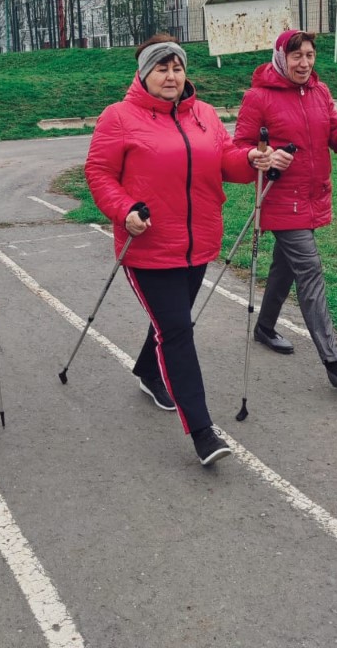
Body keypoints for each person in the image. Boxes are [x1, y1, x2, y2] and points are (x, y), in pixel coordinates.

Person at [84, 34, 272, 466]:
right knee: (177, 330)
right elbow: (99, 173)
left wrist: (250, 160)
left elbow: (225, 160)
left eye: (177, 68)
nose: (171, 76)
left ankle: (148, 371)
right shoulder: (118, 117)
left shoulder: (204, 114)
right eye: (161, 68)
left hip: (199, 242)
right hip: (148, 245)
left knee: (172, 322)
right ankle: (203, 431)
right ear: (143, 73)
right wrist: (124, 210)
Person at [234, 29, 337, 389]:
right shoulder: (258, 97)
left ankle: (265, 327)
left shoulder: (320, 92)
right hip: (280, 199)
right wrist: (263, 156)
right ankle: (334, 362)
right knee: (310, 270)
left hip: (313, 196)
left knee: (285, 266)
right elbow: (240, 146)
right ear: (281, 57)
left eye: (310, 55)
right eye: (296, 56)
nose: (304, 63)